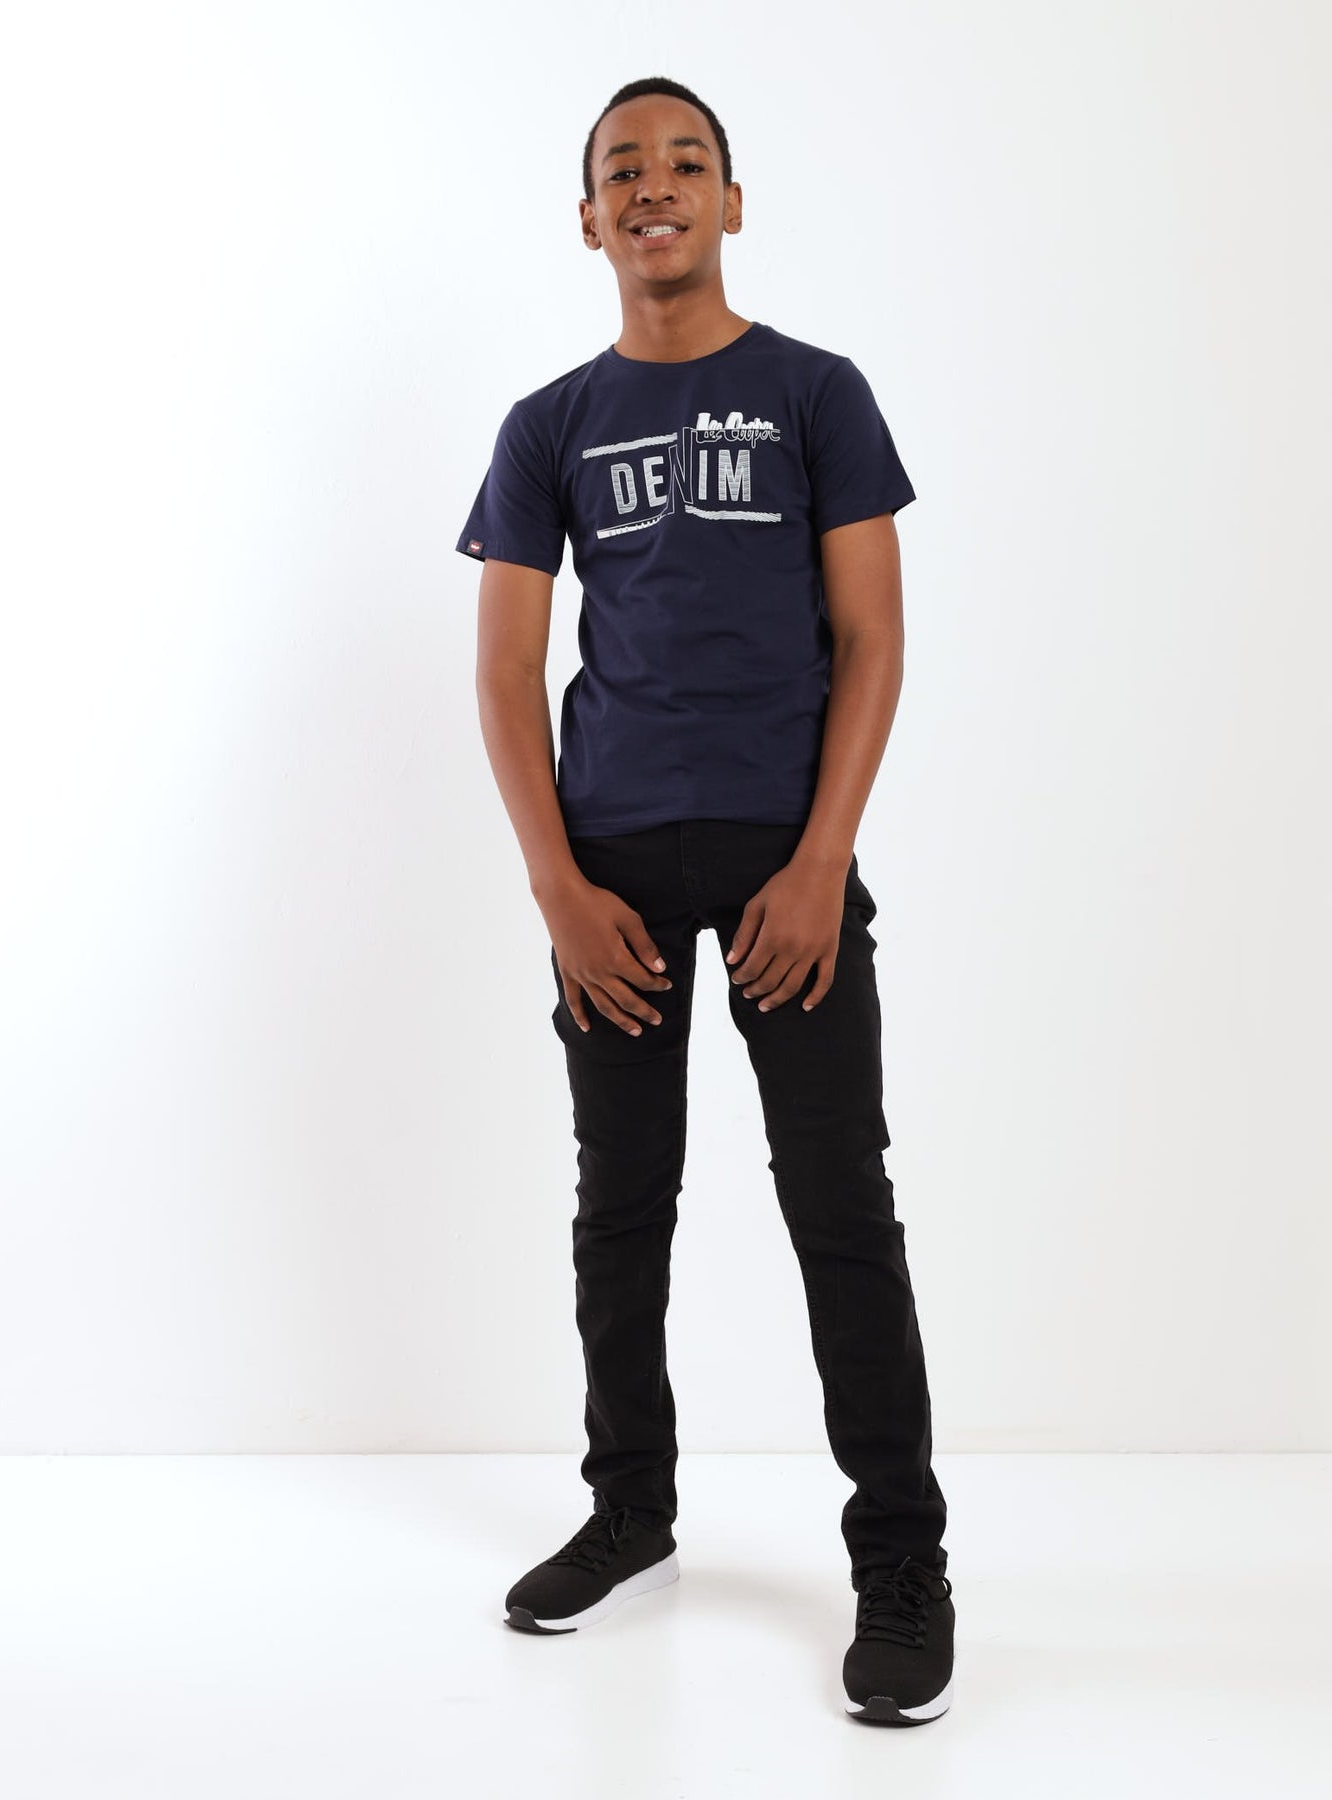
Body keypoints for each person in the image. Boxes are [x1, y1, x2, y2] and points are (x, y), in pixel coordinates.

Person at [454, 75, 955, 1725]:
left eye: (686, 163)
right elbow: (508, 671)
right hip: (609, 867)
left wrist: (817, 863)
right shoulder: (549, 425)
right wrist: (556, 887)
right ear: (588, 219)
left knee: (840, 1207)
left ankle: (902, 1561)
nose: (654, 185)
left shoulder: (816, 394)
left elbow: (873, 638)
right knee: (622, 1205)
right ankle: (632, 1510)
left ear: (731, 203)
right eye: (624, 169)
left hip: (780, 859)